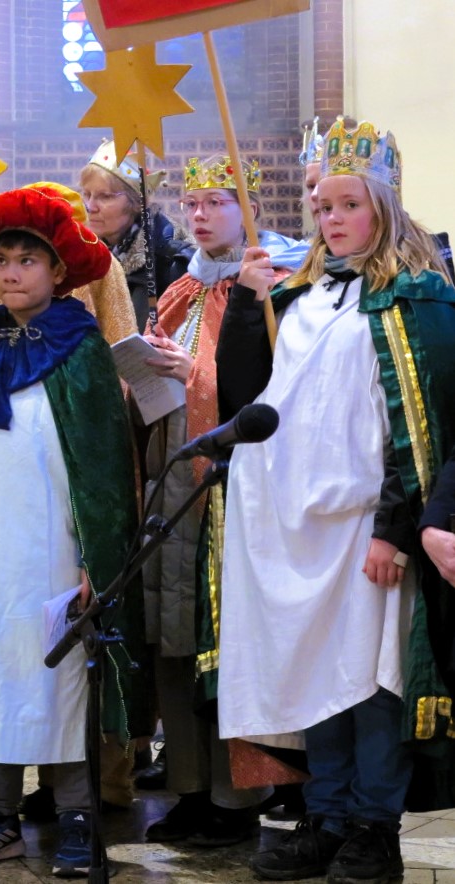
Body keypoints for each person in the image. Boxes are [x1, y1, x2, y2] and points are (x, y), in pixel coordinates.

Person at [218, 117, 455, 883]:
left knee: (374, 682)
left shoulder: (418, 298)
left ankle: (373, 829)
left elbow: (423, 425)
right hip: (298, 528)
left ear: (382, 205)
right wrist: (246, 305)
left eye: (348, 204)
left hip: (367, 525)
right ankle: (325, 818)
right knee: (316, 673)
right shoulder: (302, 296)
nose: (332, 218)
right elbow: (250, 401)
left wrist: (394, 528)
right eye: (322, 206)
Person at [0, 184, 145, 874]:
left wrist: (95, 558)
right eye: (3, 260)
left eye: (28, 260)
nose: (12, 272)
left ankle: (77, 812)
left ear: (57, 270)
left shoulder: (81, 350)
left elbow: (105, 465)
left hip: (53, 548)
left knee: (57, 676)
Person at [138, 155, 303, 848]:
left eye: (217, 202)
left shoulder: (271, 290)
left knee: (222, 639)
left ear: (248, 211)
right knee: (173, 640)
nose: (199, 214)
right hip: (171, 483)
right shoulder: (179, 291)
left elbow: (266, 393)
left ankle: (237, 797)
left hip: (232, 490)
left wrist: (191, 373)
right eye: (192, 202)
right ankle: (189, 787)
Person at [78, 140, 193, 330]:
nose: (90, 206)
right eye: (86, 194)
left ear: (136, 203)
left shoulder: (172, 260)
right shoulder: (86, 255)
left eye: (105, 196)